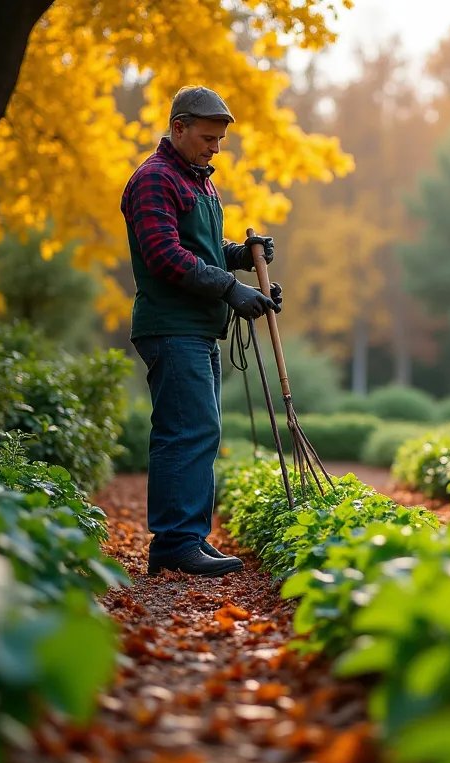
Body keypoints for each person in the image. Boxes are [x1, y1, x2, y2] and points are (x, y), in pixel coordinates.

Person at [121, 85, 283, 577]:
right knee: (184, 431)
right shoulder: (154, 180)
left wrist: (241, 257)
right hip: (171, 326)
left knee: (202, 430)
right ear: (179, 128)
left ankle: (190, 536)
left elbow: (202, 248)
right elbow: (166, 256)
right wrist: (231, 290)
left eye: (219, 140)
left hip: (196, 327)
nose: (215, 148)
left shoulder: (198, 182)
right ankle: (173, 543)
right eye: (208, 138)